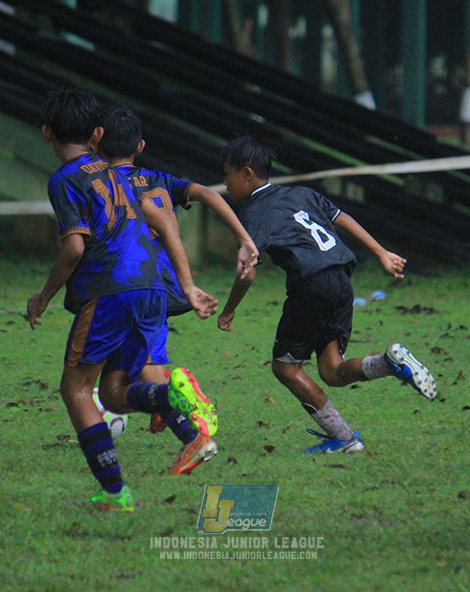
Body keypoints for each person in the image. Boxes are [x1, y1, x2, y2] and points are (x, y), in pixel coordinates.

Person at [26, 87, 219, 512]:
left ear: (46, 132)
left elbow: (74, 248)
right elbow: (163, 220)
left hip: (109, 291)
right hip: (151, 290)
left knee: (77, 389)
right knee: (114, 393)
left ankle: (115, 492)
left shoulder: (65, 179)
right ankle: (178, 411)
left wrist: (43, 296)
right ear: (96, 134)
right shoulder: (121, 174)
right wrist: (186, 285)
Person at [215, 135, 438, 454]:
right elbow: (341, 217)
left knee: (285, 368)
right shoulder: (302, 193)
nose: (225, 183)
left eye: (227, 174)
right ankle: (389, 364)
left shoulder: (253, 214)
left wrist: (229, 309)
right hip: (341, 281)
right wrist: (380, 252)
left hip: (311, 286)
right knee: (332, 370)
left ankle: (344, 438)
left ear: (247, 174)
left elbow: (247, 272)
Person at [94, 101, 258, 474]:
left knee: (123, 378)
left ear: (95, 142)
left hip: (125, 283)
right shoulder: (158, 179)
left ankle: (181, 418)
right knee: (144, 363)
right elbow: (210, 194)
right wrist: (244, 238)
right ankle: (169, 410)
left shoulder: (99, 185)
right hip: (164, 284)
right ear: (140, 146)